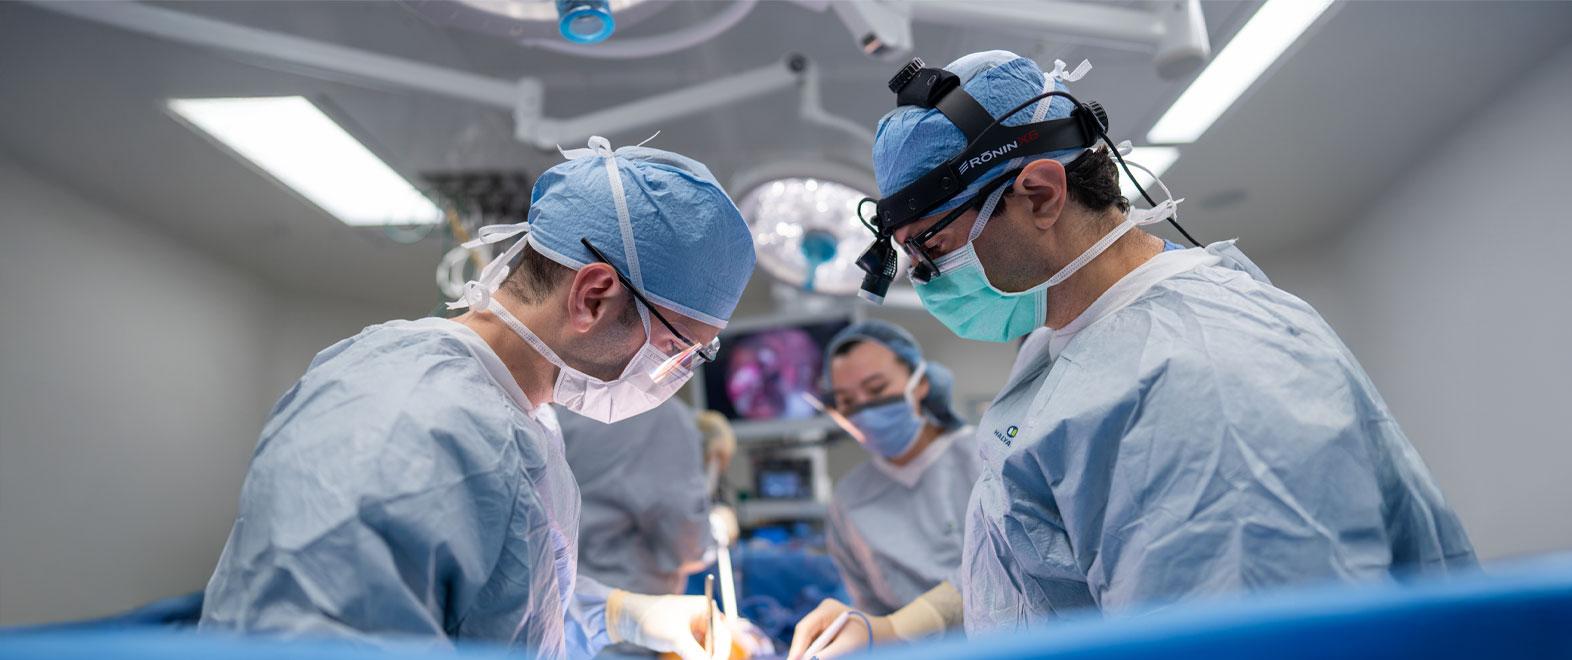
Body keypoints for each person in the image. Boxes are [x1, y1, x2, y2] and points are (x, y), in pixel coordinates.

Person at [789, 50, 1475, 658]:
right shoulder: (1074, 349)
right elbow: (1041, 579)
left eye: (932, 248)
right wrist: (892, 630)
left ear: (1039, 193)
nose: (924, 277)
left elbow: (1248, 637)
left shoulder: (1198, 377)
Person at [200, 136, 757, 660]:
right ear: (593, 296)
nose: (675, 371)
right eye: (679, 347)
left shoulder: (519, 416)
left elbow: (493, 597)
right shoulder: (402, 420)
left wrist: (621, 612)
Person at [820, 321, 981, 616]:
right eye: (847, 400)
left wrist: (910, 626)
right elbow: (870, 609)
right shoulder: (850, 498)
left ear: (920, 384)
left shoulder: (985, 459)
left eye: (877, 388)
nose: (865, 407)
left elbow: (1012, 574)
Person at [561, 400, 735, 600]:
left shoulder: (572, 406)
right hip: (624, 606)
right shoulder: (663, 419)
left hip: (566, 601)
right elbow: (685, 544)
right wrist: (719, 527)